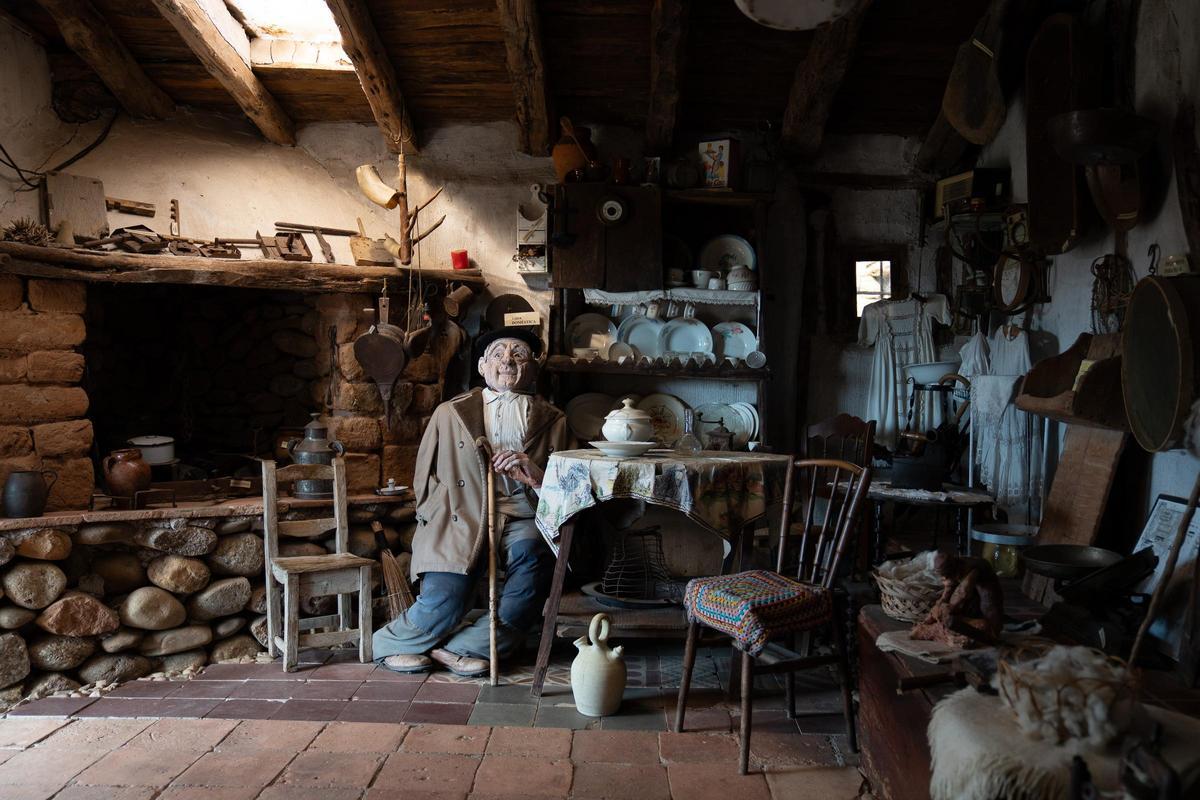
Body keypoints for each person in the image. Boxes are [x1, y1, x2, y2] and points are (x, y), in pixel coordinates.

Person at [373, 328, 570, 676]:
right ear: (482, 366)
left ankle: (463, 648)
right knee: (448, 592)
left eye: (519, 354)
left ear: (533, 368)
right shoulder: (450, 413)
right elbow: (425, 475)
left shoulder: (555, 419)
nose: (508, 360)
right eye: (498, 354)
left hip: (523, 513)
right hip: (459, 512)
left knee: (531, 569)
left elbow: (569, 484)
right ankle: (391, 644)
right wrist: (436, 514)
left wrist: (537, 476)